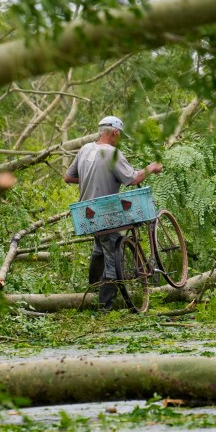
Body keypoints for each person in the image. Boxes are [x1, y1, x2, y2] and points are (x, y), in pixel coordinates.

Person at [64, 116, 163, 310]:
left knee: (100, 247)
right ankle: (105, 307)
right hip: (105, 212)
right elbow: (133, 179)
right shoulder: (112, 154)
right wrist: (151, 168)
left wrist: (88, 180)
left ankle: (92, 289)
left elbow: (68, 177)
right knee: (113, 255)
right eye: (120, 136)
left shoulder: (84, 149)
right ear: (115, 133)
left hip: (87, 213)